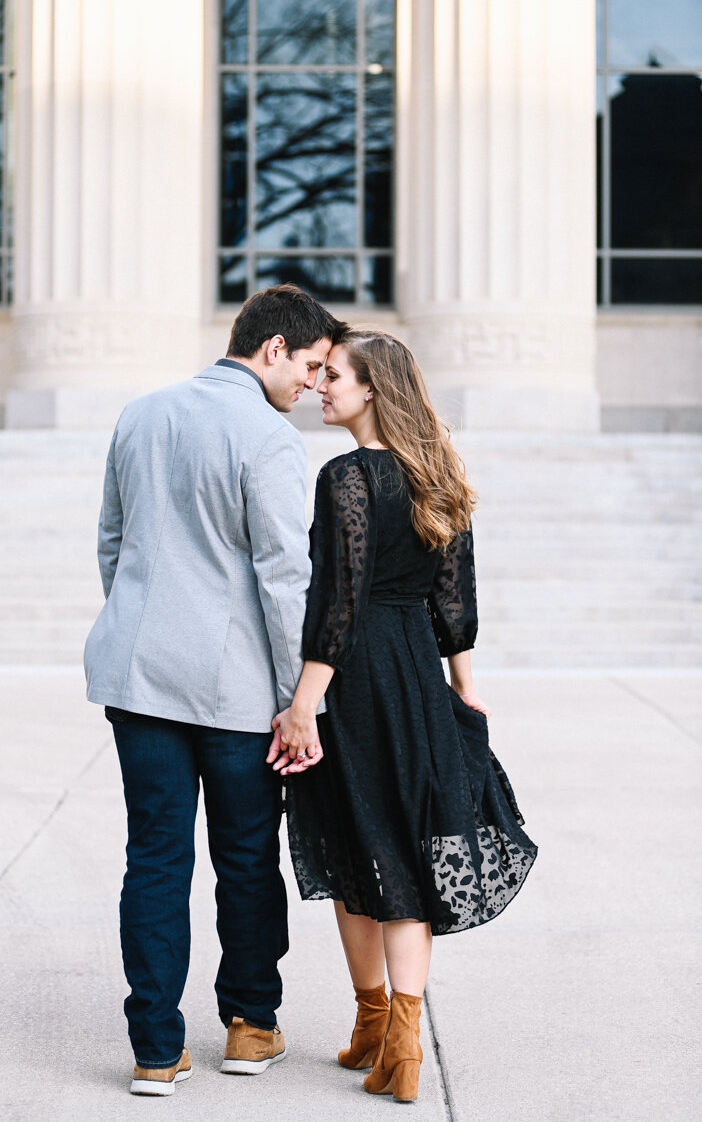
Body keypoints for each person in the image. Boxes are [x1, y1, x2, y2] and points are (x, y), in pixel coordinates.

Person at [84, 284, 346, 1096]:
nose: (310, 384)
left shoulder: (141, 412)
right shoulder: (267, 438)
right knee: (244, 857)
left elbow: (112, 543)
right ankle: (250, 1024)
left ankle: (156, 1050)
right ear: (272, 348)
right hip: (237, 692)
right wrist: (297, 701)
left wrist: (139, 625)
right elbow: (283, 576)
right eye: (307, 366)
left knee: (154, 859)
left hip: (139, 677)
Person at [268, 330, 537, 1104]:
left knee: (357, 847)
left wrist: (302, 705)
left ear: (373, 390)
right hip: (418, 673)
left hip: (355, 679)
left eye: (336, 377)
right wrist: (463, 683)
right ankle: (398, 1041)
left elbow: (338, 604)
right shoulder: (437, 471)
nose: (323, 386)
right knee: (406, 850)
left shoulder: (348, 477)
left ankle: (376, 1019)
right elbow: (456, 597)